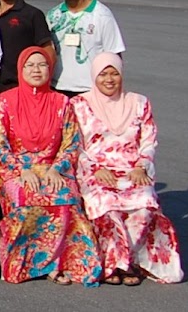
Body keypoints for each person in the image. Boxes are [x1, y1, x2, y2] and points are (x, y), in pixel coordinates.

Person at [0, 46, 101, 285]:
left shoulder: (62, 102)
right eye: (30, 65)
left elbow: (71, 143)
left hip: (53, 168)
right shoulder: (5, 102)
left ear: (50, 70)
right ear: (21, 69)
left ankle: (58, 263)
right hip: (16, 170)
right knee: (25, 199)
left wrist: (56, 168)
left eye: (42, 65)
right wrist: (21, 170)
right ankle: (29, 264)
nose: (36, 70)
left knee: (66, 198)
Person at [71, 53, 182, 284]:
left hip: (133, 169)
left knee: (143, 205)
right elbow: (75, 144)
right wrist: (94, 169)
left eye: (114, 74)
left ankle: (131, 263)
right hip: (96, 170)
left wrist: (142, 167)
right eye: (103, 74)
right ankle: (114, 265)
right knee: (107, 206)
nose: (109, 79)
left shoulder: (139, 102)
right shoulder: (80, 104)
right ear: (94, 76)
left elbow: (149, 139)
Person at [47, 0, 126, 96]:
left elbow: (114, 56)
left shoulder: (102, 15)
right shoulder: (53, 16)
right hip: (58, 90)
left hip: (91, 91)